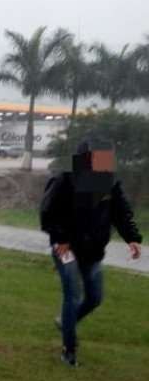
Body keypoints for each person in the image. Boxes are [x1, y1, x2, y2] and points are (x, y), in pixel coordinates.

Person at [39, 134, 141, 366]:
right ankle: (69, 350)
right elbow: (47, 212)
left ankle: (67, 322)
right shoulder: (65, 178)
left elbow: (120, 210)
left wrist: (132, 238)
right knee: (73, 295)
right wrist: (61, 237)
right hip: (65, 247)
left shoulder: (109, 181)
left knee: (95, 297)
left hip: (93, 248)